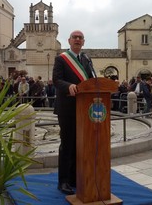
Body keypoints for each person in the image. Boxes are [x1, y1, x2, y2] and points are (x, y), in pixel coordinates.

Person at [52, 30, 94, 195]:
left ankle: (75, 177)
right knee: (67, 144)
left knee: (80, 144)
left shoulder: (86, 59)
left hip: (85, 108)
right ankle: (63, 181)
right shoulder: (61, 59)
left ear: (83, 42)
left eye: (80, 37)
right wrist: (68, 85)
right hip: (67, 108)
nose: (77, 39)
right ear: (69, 41)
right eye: (74, 37)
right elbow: (56, 80)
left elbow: (91, 80)